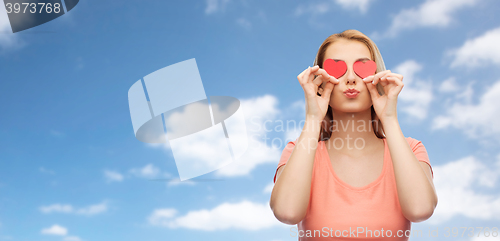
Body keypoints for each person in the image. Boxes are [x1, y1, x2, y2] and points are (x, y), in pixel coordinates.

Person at [269, 29, 438, 240]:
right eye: (337, 69)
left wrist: (390, 119)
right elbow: (287, 212)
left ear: (378, 77)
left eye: (362, 68)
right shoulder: (298, 151)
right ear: (320, 81)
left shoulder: (412, 149)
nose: (350, 78)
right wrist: (313, 117)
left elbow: (420, 209)